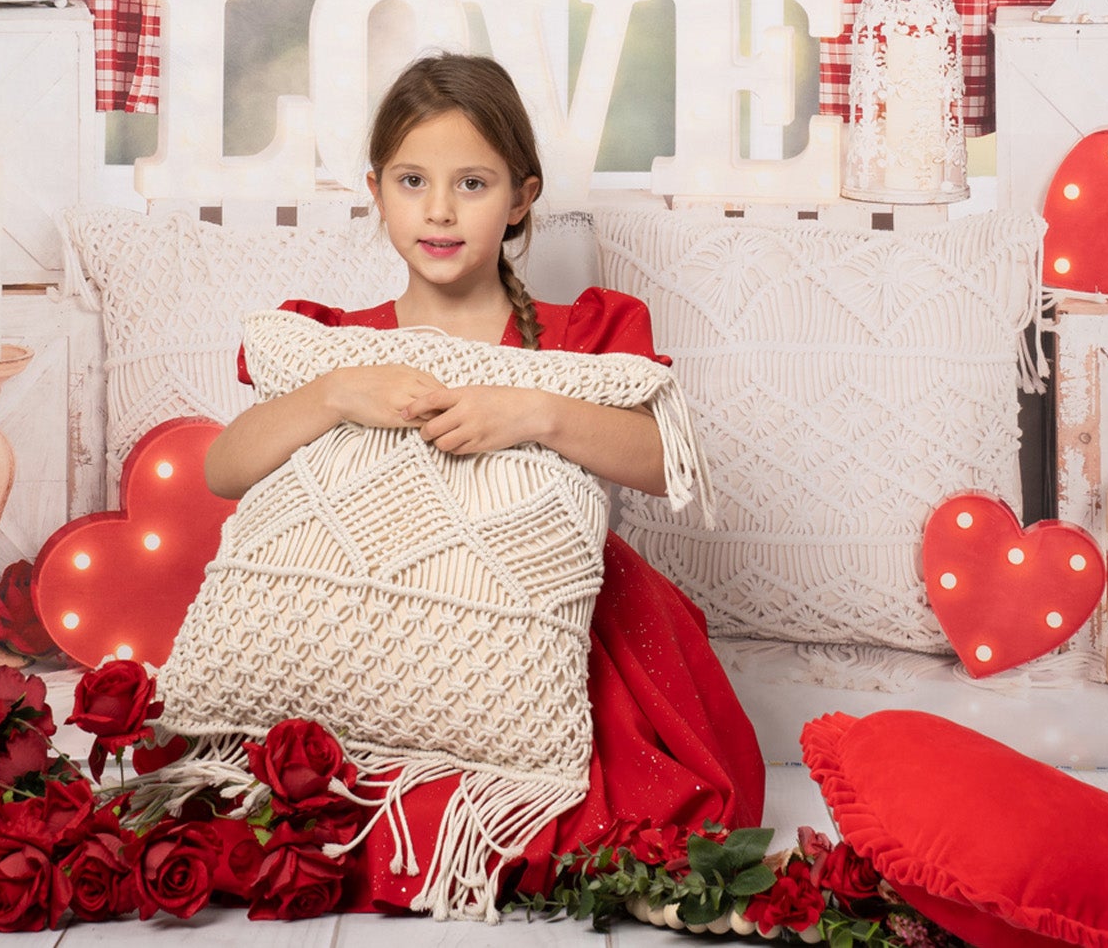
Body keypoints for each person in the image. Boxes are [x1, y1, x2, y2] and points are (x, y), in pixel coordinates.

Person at [202, 52, 765, 911]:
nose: (438, 209)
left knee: (613, 812)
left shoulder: (583, 333)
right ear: (376, 189)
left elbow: (664, 463)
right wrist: (336, 392)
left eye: (472, 183)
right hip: (366, 612)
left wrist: (534, 412)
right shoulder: (335, 338)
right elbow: (223, 470)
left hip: (541, 608)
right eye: (412, 179)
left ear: (521, 196)